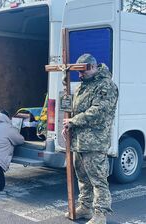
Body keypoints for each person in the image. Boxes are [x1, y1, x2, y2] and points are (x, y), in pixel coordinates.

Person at [62, 54, 118, 224]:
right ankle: (85, 207)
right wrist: (68, 126)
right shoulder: (83, 86)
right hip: (79, 141)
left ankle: (100, 214)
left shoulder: (106, 86)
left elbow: (99, 112)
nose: (79, 76)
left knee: (98, 179)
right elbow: (75, 107)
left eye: (82, 72)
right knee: (83, 178)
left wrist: (73, 121)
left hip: (95, 142)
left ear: (92, 67)